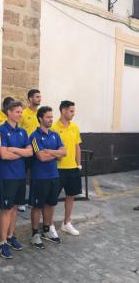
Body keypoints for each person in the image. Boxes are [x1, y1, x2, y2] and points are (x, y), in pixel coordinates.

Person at [0, 101, 33, 259]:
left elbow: (30, 152)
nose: (20, 114)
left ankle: (11, 236)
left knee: (16, 207)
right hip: (7, 176)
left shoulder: (23, 132)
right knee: (6, 209)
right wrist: (21, 152)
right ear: (8, 112)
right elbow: (3, 155)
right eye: (17, 111)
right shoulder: (0, 131)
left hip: (20, 175)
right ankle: (2, 242)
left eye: (21, 112)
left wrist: (14, 150)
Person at [29, 106, 66, 249]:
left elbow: (64, 152)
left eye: (51, 117)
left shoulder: (55, 135)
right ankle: (34, 234)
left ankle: (46, 230)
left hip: (54, 176)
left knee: (50, 204)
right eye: (48, 117)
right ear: (40, 119)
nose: (51, 119)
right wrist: (56, 153)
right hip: (40, 177)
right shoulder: (34, 136)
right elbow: (41, 157)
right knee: (37, 206)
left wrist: (50, 151)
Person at [51, 100, 83, 235]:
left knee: (71, 196)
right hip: (58, 169)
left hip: (73, 168)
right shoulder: (53, 128)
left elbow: (77, 146)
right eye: (71, 111)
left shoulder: (75, 127)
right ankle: (50, 224)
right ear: (63, 111)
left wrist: (79, 164)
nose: (73, 114)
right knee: (52, 198)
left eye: (74, 111)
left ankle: (67, 223)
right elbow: (52, 149)